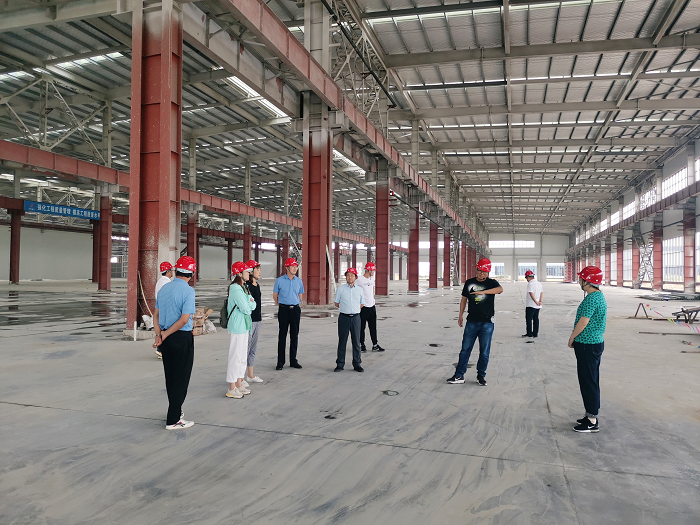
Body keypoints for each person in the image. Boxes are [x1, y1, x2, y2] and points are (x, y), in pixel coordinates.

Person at [152, 256, 197, 430]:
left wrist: (159, 335)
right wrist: (165, 333)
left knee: (170, 377)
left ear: (176, 271)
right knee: (181, 378)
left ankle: (176, 411)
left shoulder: (164, 288)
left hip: (166, 339)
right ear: (191, 273)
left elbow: (156, 315)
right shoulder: (188, 291)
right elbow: (184, 319)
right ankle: (173, 420)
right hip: (181, 338)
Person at [447, 258, 503, 387]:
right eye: (479, 270)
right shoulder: (469, 282)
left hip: (487, 323)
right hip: (471, 322)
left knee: (484, 351)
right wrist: (460, 315)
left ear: (488, 272)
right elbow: (464, 299)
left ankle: (481, 375)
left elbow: (500, 289)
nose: (481, 273)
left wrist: (482, 292)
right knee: (465, 350)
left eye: (484, 272)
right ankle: (459, 375)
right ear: (476, 269)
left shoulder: (492, 283)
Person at [568, 266, 607, 433]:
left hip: (587, 344)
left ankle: (592, 420)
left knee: (588, 381)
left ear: (587, 281)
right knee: (591, 379)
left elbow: (583, 322)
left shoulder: (591, 299)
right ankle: (590, 414)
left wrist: (572, 337)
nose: (579, 282)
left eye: (581, 279)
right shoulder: (598, 296)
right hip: (593, 343)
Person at [226, 261, 257, 399]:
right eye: (246, 272)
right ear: (239, 274)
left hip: (244, 326)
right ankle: (231, 387)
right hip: (237, 327)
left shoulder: (243, 288)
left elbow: (253, 305)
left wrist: (249, 304)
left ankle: (239, 384)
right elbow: (246, 308)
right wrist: (249, 304)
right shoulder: (235, 289)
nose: (249, 273)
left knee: (242, 356)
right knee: (235, 357)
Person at [273, 257, 305, 370]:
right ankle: (280, 362)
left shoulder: (299, 281)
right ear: (287, 268)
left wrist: (293, 303)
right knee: (282, 335)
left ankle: (293, 360)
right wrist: (282, 305)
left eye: (296, 266)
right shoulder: (279, 281)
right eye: (292, 266)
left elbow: (300, 296)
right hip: (284, 310)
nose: (295, 268)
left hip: (295, 310)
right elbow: (275, 296)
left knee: (294, 335)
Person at [334, 268, 365, 372]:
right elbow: (337, 303)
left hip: (356, 318)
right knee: (342, 341)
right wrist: (346, 309)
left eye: (352, 275)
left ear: (355, 277)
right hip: (344, 318)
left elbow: (362, 304)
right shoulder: (340, 289)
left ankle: (357, 364)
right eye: (348, 275)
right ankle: (340, 364)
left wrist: (354, 309)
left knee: (356, 342)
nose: (350, 277)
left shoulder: (360, 290)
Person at [356, 262, 385, 353]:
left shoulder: (372, 278)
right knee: (361, 327)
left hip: (372, 307)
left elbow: (371, 289)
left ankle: (375, 345)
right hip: (363, 308)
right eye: (373, 271)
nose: (374, 272)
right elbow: (353, 289)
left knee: (373, 327)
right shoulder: (359, 280)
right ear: (369, 270)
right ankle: (362, 345)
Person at [245, 259, 264, 384]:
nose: (260, 272)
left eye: (260, 270)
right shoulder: (247, 286)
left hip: (257, 320)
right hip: (249, 321)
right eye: (257, 270)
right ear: (251, 271)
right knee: (245, 349)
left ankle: (250, 375)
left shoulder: (257, 285)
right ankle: (240, 377)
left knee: (253, 348)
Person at [153, 261, 174, 358]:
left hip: (160, 307)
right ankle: (161, 350)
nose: (172, 272)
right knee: (167, 329)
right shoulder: (167, 282)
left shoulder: (160, 281)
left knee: (162, 328)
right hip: (165, 308)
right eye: (171, 270)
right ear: (168, 271)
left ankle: (160, 350)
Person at [522, 270, 543, 338]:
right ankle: (535, 333)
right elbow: (541, 293)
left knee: (529, 319)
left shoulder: (530, 284)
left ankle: (529, 333)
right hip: (538, 305)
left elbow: (531, 293)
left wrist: (535, 302)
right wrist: (540, 301)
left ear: (528, 277)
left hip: (531, 304)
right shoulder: (539, 283)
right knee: (536, 319)